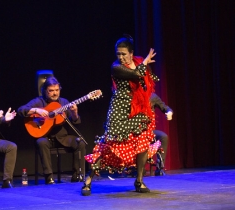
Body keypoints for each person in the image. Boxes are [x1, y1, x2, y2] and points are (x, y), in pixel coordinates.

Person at [81, 35, 160, 196]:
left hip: (136, 110)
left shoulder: (138, 62)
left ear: (131, 53)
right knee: (109, 146)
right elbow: (137, 74)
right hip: (119, 110)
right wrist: (145, 62)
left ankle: (139, 180)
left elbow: (147, 79)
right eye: (118, 54)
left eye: (124, 54)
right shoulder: (116, 67)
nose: (121, 57)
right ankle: (88, 180)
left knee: (143, 142)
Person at [17, 76, 86, 184]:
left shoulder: (64, 103)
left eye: (57, 90)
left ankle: (77, 175)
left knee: (80, 142)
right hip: (46, 138)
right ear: (45, 91)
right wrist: (36, 110)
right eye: (51, 91)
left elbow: (76, 122)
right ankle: (49, 177)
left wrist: (74, 113)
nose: (55, 93)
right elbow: (21, 110)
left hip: (62, 137)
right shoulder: (38, 101)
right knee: (41, 142)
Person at [150, 93, 173, 175]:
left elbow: (164, 107)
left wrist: (169, 112)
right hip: (134, 132)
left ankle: (159, 168)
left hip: (148, 132)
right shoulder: (132, 95)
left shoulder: (152, 96)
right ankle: (134, 168)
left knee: (163, 137)